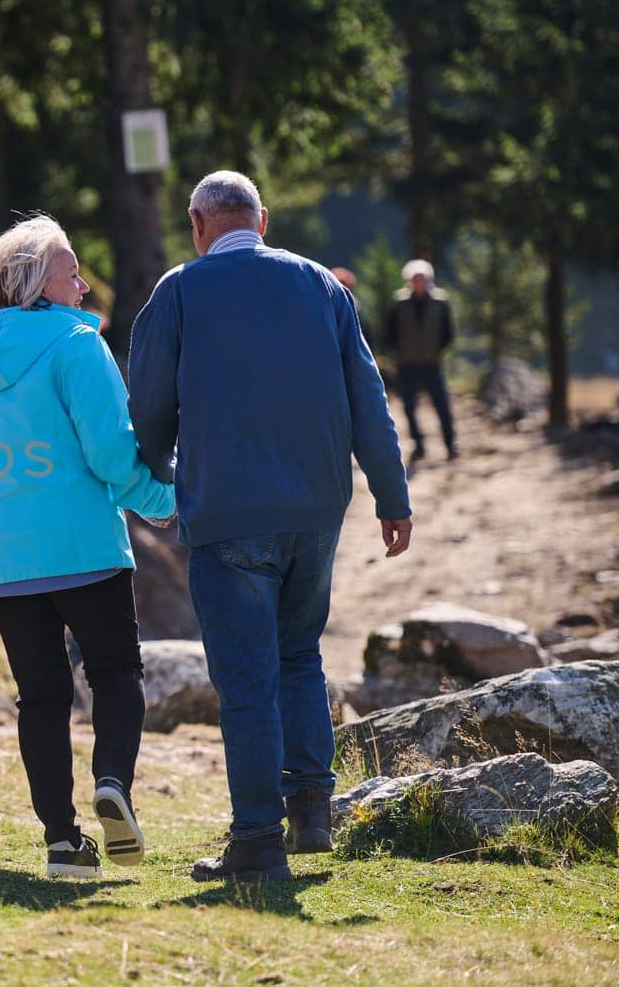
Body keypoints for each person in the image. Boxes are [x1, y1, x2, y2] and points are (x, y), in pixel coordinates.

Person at [127, 171, 412, 882]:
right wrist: (391, 496)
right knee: (299, 656)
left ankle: (256, 841)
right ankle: (311, 810)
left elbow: (150, 404)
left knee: (246, 679)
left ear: (198, 223)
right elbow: (367, 398)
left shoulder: (181, 291)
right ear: (262, 219)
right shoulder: (323, 287)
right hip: (316, 511)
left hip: (226, 513)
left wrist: (153, 477)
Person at [0, 215, 177, 880]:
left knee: (40, 696)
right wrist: (162, 503)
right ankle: (113, 785)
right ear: (36, 282)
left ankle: (62, 844)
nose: (82, 282)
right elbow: (109, 451)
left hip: (0, 558)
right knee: (115, 673)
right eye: (72, 269)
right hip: (80, 545)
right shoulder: (78, 345)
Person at [383, 258, 457, 461]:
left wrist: (437, 350)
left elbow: (448, 332)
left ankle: (451, 444)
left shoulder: (440, 302)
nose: (419, 282)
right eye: (416, 278)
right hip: (407, 363)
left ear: (428, 279)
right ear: (409, 280)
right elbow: (389, 333)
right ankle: (418, 445)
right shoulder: (399, 303)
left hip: (432, 363)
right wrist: (398, 351)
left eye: (422, 278)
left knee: (441, 405)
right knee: (408, 406)